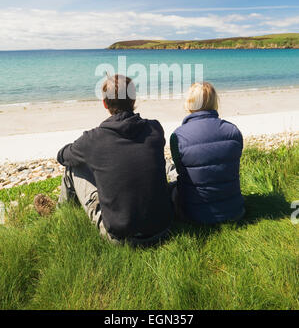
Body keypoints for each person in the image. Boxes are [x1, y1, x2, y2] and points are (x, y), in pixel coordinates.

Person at [52, 74, 173, 246]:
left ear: (105, 103)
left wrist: (86, 154)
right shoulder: (155, 129)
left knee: (72, 168)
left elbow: (63, 157)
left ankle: (60, 216)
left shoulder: (94, 139)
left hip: (121, 238)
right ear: (133, 100)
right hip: (162, 228)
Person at [169, 81, 245, 225]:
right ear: (214, 101)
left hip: (194, 216)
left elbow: (181, 171)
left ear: (189, 103)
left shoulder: (178, 136)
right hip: (236, 212)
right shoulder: (233, 131)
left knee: (172, 183)